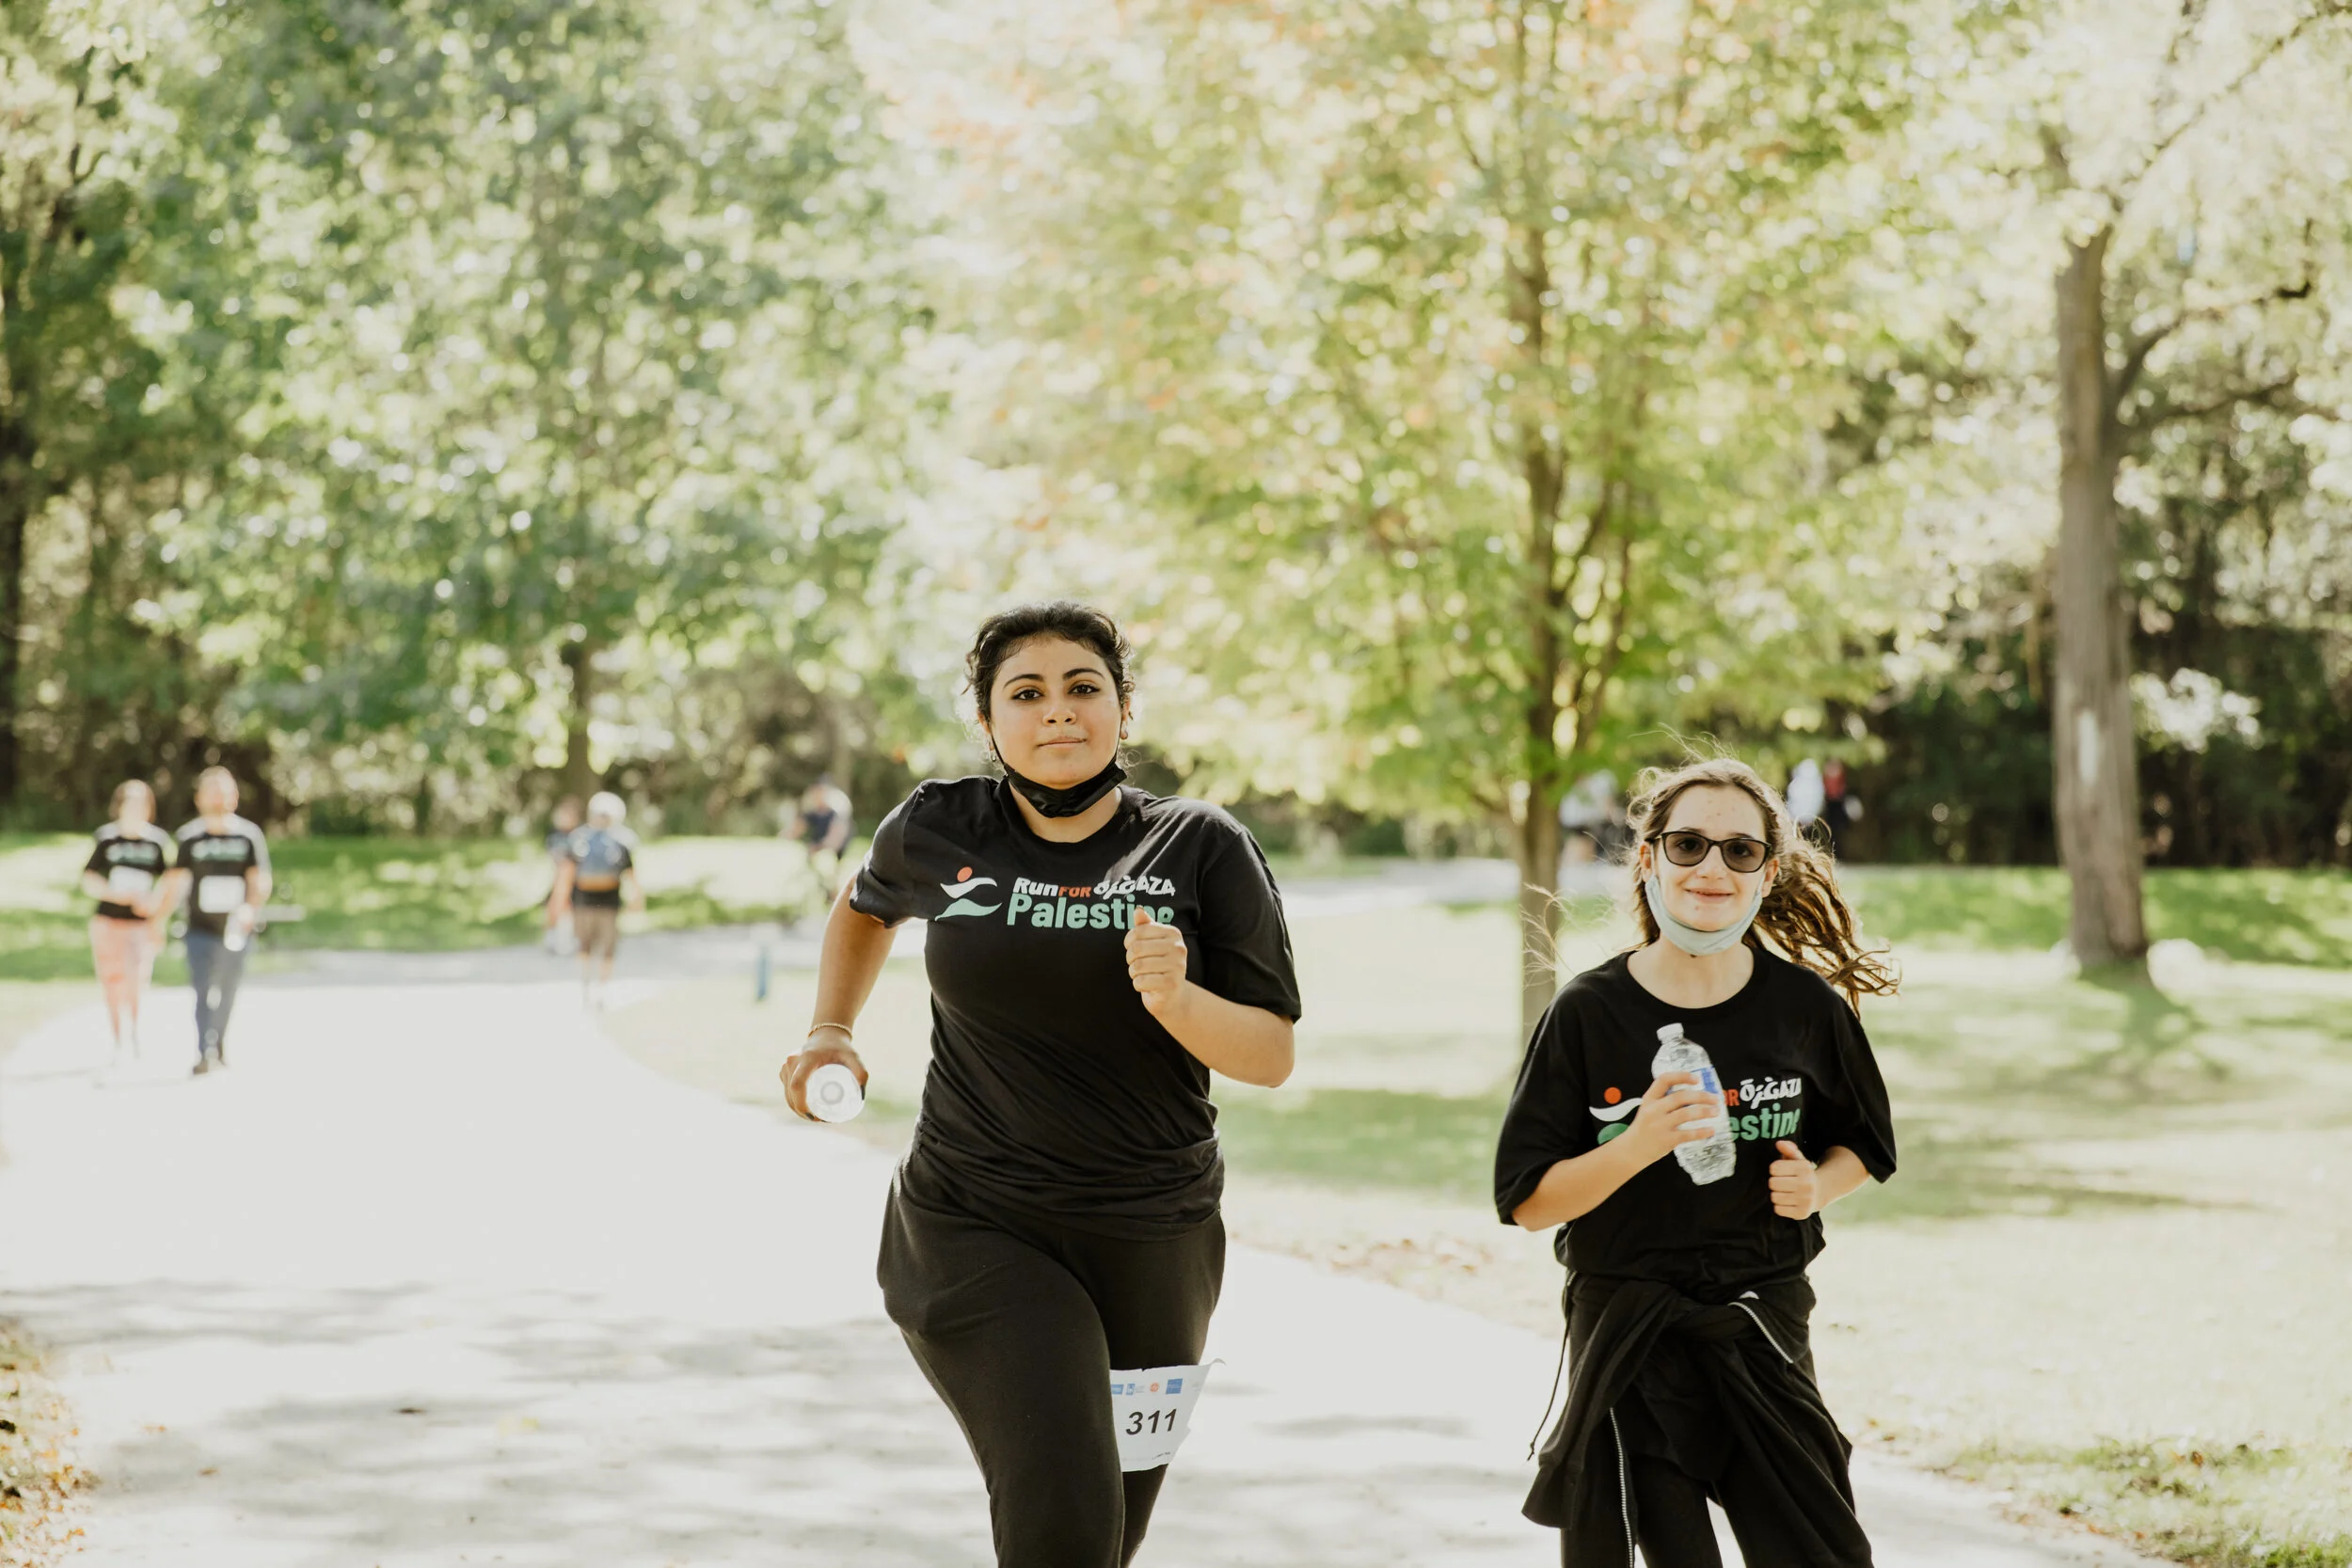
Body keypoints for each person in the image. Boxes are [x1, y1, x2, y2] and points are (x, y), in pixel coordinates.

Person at [780, 601, 1301, 1568]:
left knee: (1104, 1531)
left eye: (1082, 688)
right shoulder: (942, 824)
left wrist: (1179, 999)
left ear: (1122, 709)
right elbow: (862, 908)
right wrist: (829, 1031)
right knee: (1061, 1512)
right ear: (988, 721)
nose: (1056, 710)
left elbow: (1269, 1053)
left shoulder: (1201, 845)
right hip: (975, 1220)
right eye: (1025, 692)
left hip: (1157, 1232)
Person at [1494, 755, 1899, 1567]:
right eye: (1687, 844)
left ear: (1767, 870)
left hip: (1761, 1323)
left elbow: (1868, 1144)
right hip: (1629, 1335)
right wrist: (1638, 1143)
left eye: (1739, 850)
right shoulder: (1588, 1012)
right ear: (1648, 859)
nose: (1712, 866)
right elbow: (1529, 1200)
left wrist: (1819, 1182)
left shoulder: (1804, 1008)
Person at [162, 767, 272, 1075]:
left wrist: (251, 908)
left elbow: (259, 879)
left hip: (236, 930)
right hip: (199, 929)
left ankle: (218, 1041)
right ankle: (204, 1050)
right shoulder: (190, 837)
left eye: (224, 791)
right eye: (212, 791)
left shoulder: (248, 836)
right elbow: (175, 883)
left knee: (228, 989)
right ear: (199, 798)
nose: (218, 798)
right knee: (201, 989)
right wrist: (156, 919)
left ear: (234, 797)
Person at [80, 780, 174, 1062]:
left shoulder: (156, 842)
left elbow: (169, 881)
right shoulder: (107, 839)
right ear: (118, 806)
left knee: (136, 979)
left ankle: (134, 1032)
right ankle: (116, 1038)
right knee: (112, 979)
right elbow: (89, 878)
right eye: (129, 802)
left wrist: (155, 908)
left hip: (140, 924)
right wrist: (117, 895)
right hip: (109, 920)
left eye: (141, 803)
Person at [547, 791, 643, 1007]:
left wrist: (558, 901)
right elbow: (630, 873)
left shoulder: (579, 838)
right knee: (606, 948)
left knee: (585, 946)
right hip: (608, 902)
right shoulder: (621, 840)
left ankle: (588, 988)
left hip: (584, 902)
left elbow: (566, 873)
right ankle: (600, 989)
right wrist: (637, 898)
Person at [790, 775, 855, 897]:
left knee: (834, 869)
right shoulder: (813, 808)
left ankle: (834, 893)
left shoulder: (836, 808)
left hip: (838, 840)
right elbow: (801, 824)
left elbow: (837, 834)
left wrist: (822, 846)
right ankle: (821, 888)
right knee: (812, 860)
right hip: (823, 836)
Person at [542, 796, 583, 954]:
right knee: (554, 907)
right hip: (559, 878)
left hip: (576, 880)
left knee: (573, 910)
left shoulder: (580, 835)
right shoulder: (554, 836)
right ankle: (552, 938)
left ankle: (574, 940)